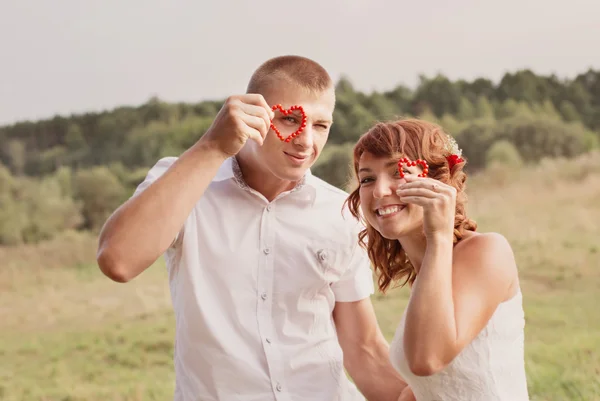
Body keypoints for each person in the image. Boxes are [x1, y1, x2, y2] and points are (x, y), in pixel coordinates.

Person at [96, 55, 413, 401]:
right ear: (251, 112)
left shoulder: (340, 213)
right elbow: (118, 261)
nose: (306, 142)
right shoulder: (185, 183)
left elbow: (363, 350)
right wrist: (212, 145)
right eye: (290, 119)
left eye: (320, 125)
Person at [345, 119, 530, 401]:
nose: (380, 191)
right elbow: (427, 389)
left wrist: (439, 236)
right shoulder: (430, 273)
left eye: (398, 172)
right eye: (367, 179)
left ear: (437, 182)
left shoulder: (488, 250)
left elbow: (427, 360)